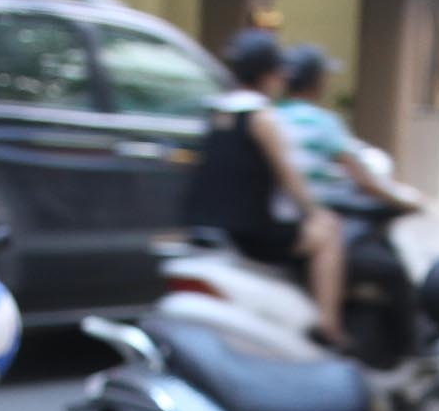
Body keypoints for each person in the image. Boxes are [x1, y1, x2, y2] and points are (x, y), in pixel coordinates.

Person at [182, 31, 348, 344]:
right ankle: (328, 325)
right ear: (269, 74)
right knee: (329, 231)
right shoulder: (261, 117)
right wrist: (314, 212)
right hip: (256, 233)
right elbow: (288, 176)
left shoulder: (218, 112)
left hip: (212, 228)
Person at [276, 45, 425, 215]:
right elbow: (364, 181)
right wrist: (407, 203)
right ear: (317, 81)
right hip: (316, 210)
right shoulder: (322, 122)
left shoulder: (268, 117)